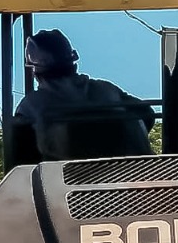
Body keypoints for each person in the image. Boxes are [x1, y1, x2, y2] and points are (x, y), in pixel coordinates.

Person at [11, 29, 156, 162]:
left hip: (64, 181)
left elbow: (21, 158)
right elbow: (147, 113)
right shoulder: (106, 89)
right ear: (72, 62)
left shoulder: (32, 105)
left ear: (36, 71)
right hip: (131, 172)